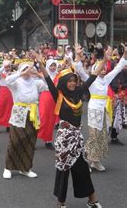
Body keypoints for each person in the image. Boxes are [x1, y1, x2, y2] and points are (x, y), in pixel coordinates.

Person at [37, 49, 105, 208]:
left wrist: (104, 60)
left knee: (81, 168)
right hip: (64, 138)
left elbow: (93, 76)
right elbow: (47, 78)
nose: (73, 83)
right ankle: (60, 203)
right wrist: (40, 63)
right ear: (63, 82)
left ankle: (92, 200)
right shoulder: (58, 95)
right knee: (63, 170)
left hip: (76, 138)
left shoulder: (80, 92)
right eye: (69, 81)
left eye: (74, 80)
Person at [74, 45, 127, 172]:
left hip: (103, 109)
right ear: (94, 70)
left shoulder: (107, 79)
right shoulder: (90, 79)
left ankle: (95, 161)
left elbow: (119, 68)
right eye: (99, 68)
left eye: (103, 68)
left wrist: (125, 54)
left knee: (102, 135)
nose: (102, 70)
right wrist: (78, 56)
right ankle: (86, 159)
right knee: (94, 135)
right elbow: (79, 70)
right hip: (93, 109)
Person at [2, 59, 47, 179]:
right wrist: (20, 73)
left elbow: (48, 87)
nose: (27, 72)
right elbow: (7, 80)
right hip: (19, 113)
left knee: (30, 141)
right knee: (15, 140)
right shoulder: (16, 82)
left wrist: (39, 75)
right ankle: (8, 167)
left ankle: (25, 168)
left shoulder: (36, 82)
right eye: (25, 70)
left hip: (33, 113)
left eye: (29, 70)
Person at [37, 59, 59, 149]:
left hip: (54, 98)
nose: (53, 67)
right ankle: (33, 139)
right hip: (45, 97)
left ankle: (48, 141)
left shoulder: (58, 75)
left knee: (51, 120)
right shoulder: (43, 75)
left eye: (54, 65)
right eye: (51, 65)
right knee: (42, 118)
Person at [0, 60, 14, 134]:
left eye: (9, 67)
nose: (8, 68)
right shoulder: (0, 74)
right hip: (3, 91)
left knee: (10, 108)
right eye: (6, 67)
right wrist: (3, 67)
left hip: (10, 92)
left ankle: (8, 125)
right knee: (1, 107)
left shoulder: (12, 74)